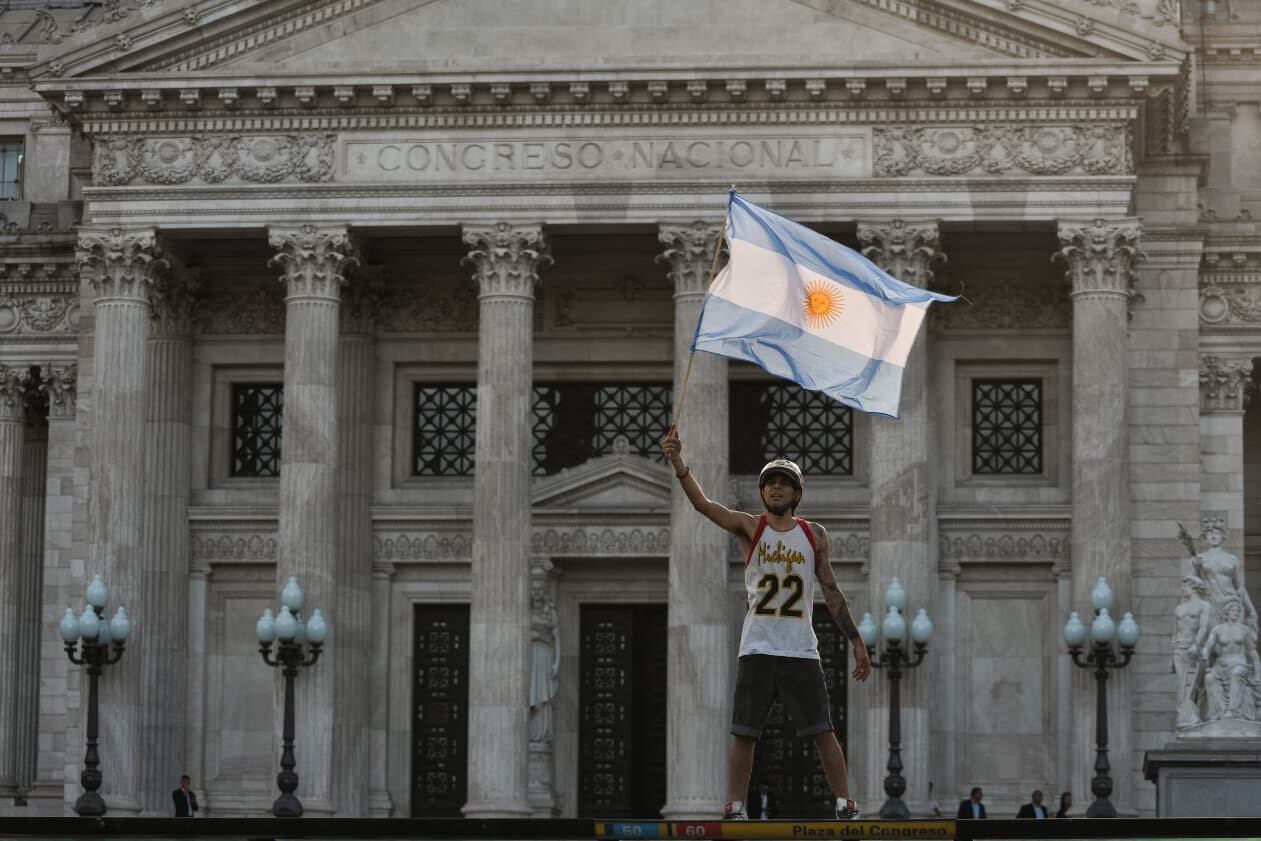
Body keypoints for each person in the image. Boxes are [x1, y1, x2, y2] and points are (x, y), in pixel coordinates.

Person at [661, 427, 871, 821]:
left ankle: (844, 801)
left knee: (822, 729)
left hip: (800, 649)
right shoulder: (749, 526)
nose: (775, 488)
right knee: (745, 730)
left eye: (784, 484)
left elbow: (831, 589)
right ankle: (735, 806)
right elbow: (705, 506)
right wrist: (677, 462)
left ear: (796, 494)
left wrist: (856, 640)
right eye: (770, 483)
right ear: (762, 492)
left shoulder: (813, 535)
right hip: (757, 647)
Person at [1201, 597, 1261, 722]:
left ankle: (1232, 710)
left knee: (1236, 674)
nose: (1236, 613)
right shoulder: (1218, 629)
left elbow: (1252, 652)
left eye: (1238, 611)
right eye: (1233, 611)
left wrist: (1258, 671)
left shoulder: (1244, 630)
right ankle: (1219, 711)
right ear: (1227, 612)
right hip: (1221, 664)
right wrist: (1204, 653)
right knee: (1209, 678)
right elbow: (1208, 645)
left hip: (1239, 663)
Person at [1172, 575, 1212, 727]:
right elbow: (1174, 631)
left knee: (1194, 682)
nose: (1182, 589)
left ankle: (1193, 714)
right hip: (1179, 647)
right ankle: (1182, 716)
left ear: (1193, 587)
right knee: (1181, 682)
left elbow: (1204, 627)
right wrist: (1172, 649)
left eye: (1185, 586)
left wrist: (1197, 645)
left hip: (1194, 647)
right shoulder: (1179, 608)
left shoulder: (1203, 606)